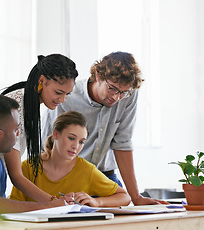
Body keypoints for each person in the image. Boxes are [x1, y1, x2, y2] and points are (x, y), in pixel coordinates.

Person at [42, 51, 169, 205]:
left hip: (105, 177)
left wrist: (136, 197)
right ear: (97, 76)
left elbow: (122, 143)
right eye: (112, 88)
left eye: (122, 92)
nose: (116, 97)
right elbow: (45, 143)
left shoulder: (128, 94)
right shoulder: (66, 97)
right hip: (69, 176)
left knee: (121, 219)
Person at [10, 111, 131, 207]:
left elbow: (125, 197)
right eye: (71, 138)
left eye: (81, 142)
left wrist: (97, 202)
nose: (76, 146)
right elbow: (13, 206)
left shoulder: (86, 170)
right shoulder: (27, 167)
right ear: (56, 134)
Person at [1, 54, 78, 202]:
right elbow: (16, 175)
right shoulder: (15, 105)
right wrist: (53, 202)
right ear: (42, 80)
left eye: (67, 94)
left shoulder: (29, 101)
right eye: (58, 93)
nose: (62, 100)